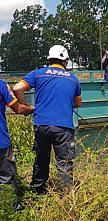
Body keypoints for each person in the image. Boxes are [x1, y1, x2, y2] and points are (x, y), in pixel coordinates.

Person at [13, 45, 82, 194]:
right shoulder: (73, 79)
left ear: (49, 59)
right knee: (64, 162)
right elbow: (77, 103)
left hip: (41, 124)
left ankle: (37, 191)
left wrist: (25, 106)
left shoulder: (38, 74)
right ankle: (67, 196)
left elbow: (17, 88)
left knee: (41, 159)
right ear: (66, 60)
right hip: (63, 127)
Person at [0, 81, 34, 185]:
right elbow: (18, 108)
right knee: (6, 179)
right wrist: (31, 109)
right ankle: (8, 200)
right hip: (1, 142)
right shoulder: (1, 85)